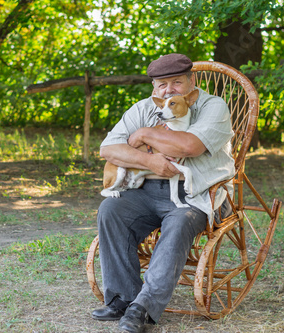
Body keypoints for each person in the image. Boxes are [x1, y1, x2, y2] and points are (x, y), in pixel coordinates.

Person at [92, 53, 235, 333]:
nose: (168, 90)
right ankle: (123, 298)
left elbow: (190, 146)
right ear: (154, 88)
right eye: (161, 85)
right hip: (148, 190)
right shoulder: (144, 107)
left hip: (200, 193)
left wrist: (145, 134)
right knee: (111, 210)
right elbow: (108, 149)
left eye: (176, 82)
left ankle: (143, 308)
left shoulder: (212, 107)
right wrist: (149, 161)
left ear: (191, 83)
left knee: (179, 221)